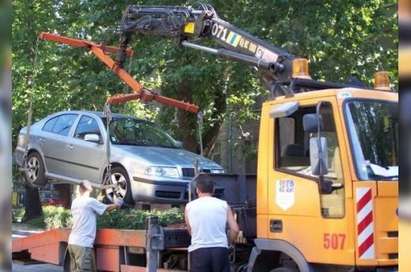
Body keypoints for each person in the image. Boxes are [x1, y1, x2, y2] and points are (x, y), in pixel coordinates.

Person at [185, 175, 240, 272]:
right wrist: (229, 242)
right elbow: (235, 229)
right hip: (220, 250)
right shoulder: (223, 204)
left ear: (197, 190)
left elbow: (190, 230)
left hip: (199, 251)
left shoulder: (189, 206)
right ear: (213, 190)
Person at [68, 180, 123, 272]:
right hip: (83, 244)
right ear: (89, 189)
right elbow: (106, 208)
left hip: (72, 243)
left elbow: (90, 212)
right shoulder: (90, 202)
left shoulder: (75, 202)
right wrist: (117, 204)